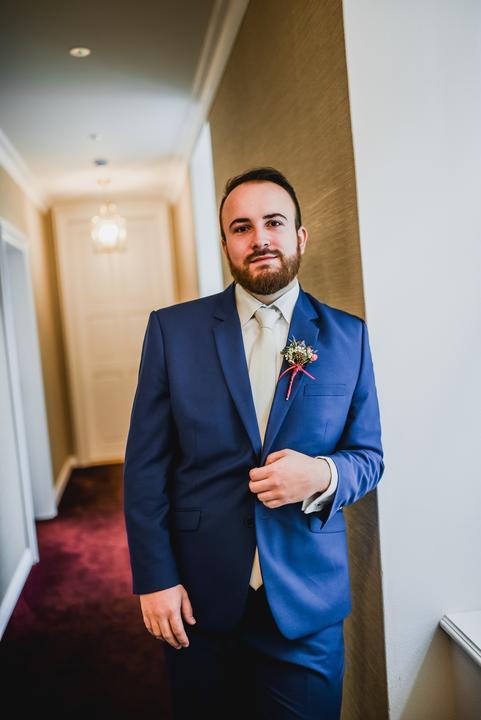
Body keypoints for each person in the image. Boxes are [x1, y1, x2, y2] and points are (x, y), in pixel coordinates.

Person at [123, 166, 385, 720]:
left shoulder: (349, 337)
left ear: (300, 236)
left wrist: (322, 475)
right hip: (197, 599)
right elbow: (145, 468)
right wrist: (155, 578)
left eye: (274, 222)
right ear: (225, 245)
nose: (260, 238)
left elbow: (369, 457)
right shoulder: (173, 332)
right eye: (241, 228)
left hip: (306, 605)